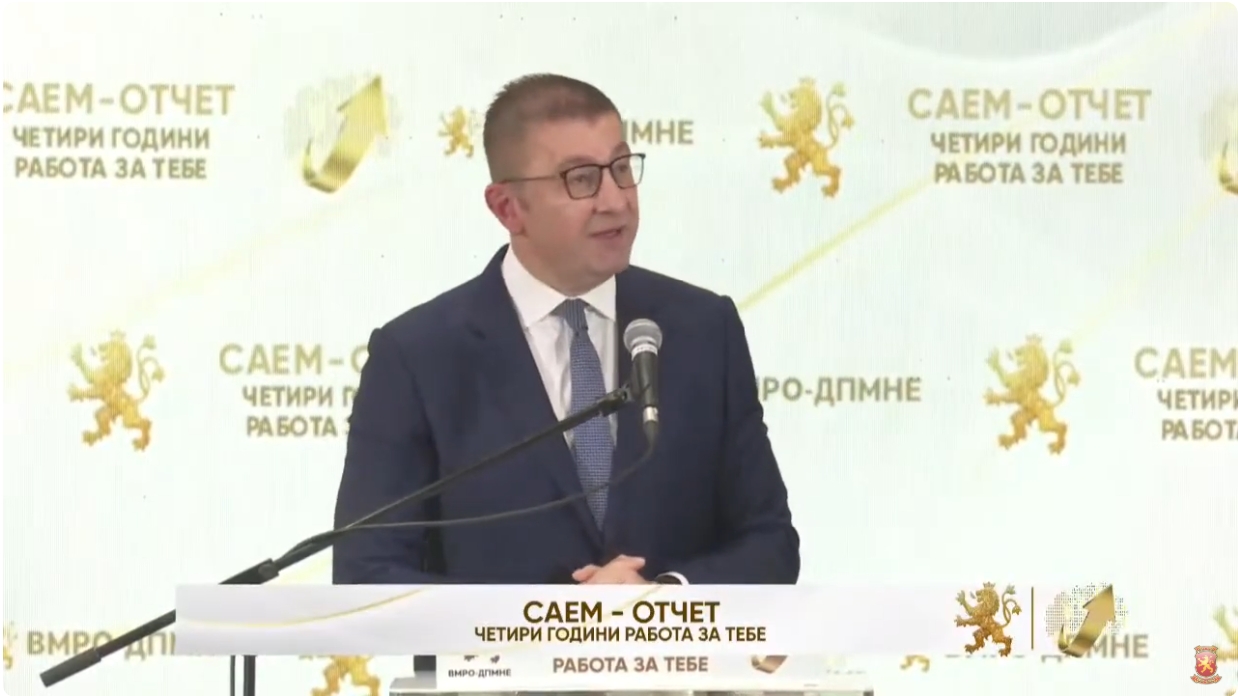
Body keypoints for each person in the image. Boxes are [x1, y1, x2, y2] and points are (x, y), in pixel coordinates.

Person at [333, 73, 799, 588]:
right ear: (508, 208)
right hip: (497, 647)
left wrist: (662, 599)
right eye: (581, 179)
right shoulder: (419, 356)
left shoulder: (703, 329)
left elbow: (770, 543)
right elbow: (366, 572)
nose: (616, 200)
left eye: (621, 168)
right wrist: (552, 618)